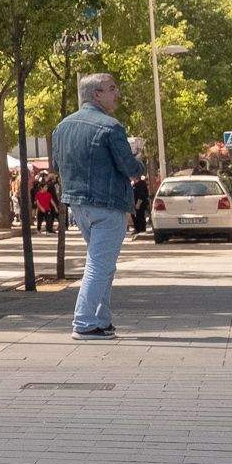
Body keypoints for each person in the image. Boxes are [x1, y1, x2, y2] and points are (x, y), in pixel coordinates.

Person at [52, 73, 144, 341]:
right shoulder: (111, 127)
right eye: (111, 89)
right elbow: (128, 167)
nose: (117, 93)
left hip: (78, 205)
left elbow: (57, 166)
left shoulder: (62, 127)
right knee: (99, 264)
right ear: (96, 94)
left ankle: (101, 320)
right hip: (108, 204)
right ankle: (84, 322)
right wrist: (138, 161)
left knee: (103, 263)